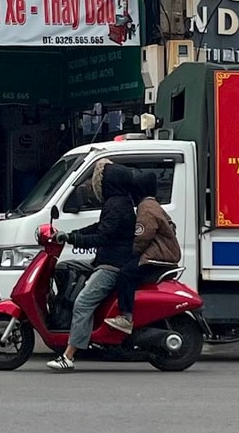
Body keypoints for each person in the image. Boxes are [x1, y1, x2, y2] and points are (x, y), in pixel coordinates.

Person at [50, 159, 139, 370]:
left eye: (98, 179)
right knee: (65, 266)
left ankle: (69, 356)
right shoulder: (117, 202)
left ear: (108, 182)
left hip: (112, 265)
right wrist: (71, 234)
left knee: (83, 303)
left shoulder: (116, 205)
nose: (93, 184)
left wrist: (73, 239)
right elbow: (99, 227)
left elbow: (102, 237)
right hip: (105, 259)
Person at [105, 169, 181, 335]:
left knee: (125, 274)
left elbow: (143, 236)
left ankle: (126, 318)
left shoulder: (145, 207)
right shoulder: (155, 205)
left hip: (157, 257)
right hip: (166, 255)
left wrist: (132, 252)